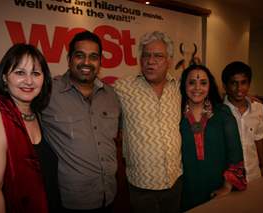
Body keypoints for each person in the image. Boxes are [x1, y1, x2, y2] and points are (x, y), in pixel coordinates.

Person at [0, 43, 61, 212]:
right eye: (20, 72)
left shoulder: (37, 115)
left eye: (35, 73)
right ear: (5, 77)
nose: (29, 81)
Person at [41, 31, 121, 212]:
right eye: (80, 56)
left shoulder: (112, 95)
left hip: (109, 195)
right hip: (70, 202)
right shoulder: (47, 92)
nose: (86, 62)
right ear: (69, 59)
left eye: (93, 57)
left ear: (100, 62)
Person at [114, 31, 183, 213]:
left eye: (158, 56)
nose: (150, 61)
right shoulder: (122, 88)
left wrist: (243, 99)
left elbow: (204, 96)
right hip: (141, 186)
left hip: (175, 181)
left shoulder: (179, 87)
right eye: (146, 55)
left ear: (169, 60)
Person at [180, 64, 247, 211]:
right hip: (184, 190)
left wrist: (227, 186)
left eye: (203, 83)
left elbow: (234, 153)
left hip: (217, 190)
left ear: (210, 86)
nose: (197, 88)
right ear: (184, 86)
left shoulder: (223, 114)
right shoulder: (175, 116)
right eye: (192, 82)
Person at [222, 61, 263, 181]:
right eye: (234, 83)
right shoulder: (219, 111)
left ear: (249, 84)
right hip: (229, 179)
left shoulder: (258, 108)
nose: (239, 88)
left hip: (254, 174)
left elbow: (259, 138)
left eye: (244, 83)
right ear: (225, 86)